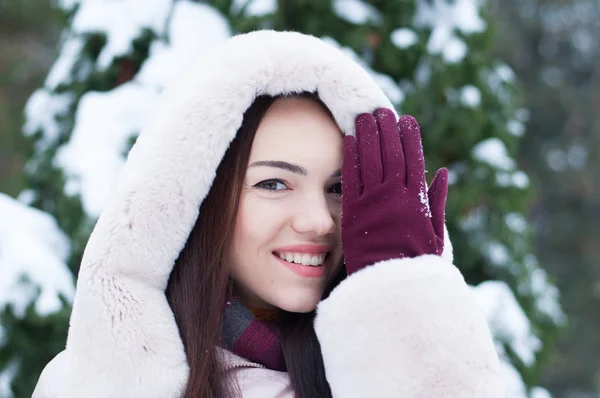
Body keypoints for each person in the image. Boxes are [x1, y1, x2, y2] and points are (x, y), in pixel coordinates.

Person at [33, 30, 504, 398]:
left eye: (339, 187)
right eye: (274, 183)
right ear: (192, 201)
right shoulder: (90, 386)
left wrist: (404, 304)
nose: (319, 221)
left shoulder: (364, 374)